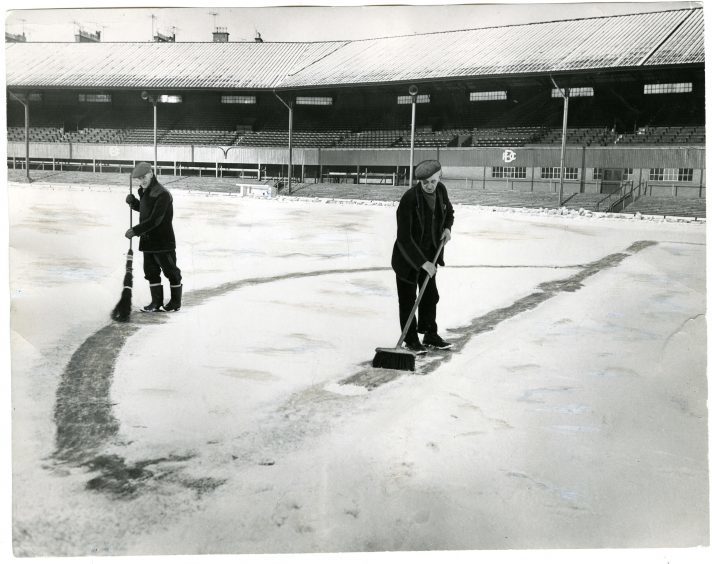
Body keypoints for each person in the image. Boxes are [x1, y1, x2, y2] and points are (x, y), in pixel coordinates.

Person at [390, 159, 454, 354]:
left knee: (430, 297)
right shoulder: (409, 199)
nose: (429, 185)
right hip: (408, 260)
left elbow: (449, 212)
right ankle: (410, 340)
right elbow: (404, 238)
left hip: (430, 255)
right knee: (408, 301)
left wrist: (447, 228)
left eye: (433, 181)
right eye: (425, 182)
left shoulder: (441, 191)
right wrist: (422, 262)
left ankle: (430, 335)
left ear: (439, 177)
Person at [125, 161, 182, 312]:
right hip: (148, 242)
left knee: (171, 272)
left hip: (163, 242)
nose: (141, 181)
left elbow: (155, 219)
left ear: (151, 173)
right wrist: (134, 203)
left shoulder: (162, 193)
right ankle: (155, 303)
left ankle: (175, 302)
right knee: (151, 273)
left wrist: (135, 230)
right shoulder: (146, 191)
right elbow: (146, 212)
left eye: (144, 177)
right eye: (138, 179)